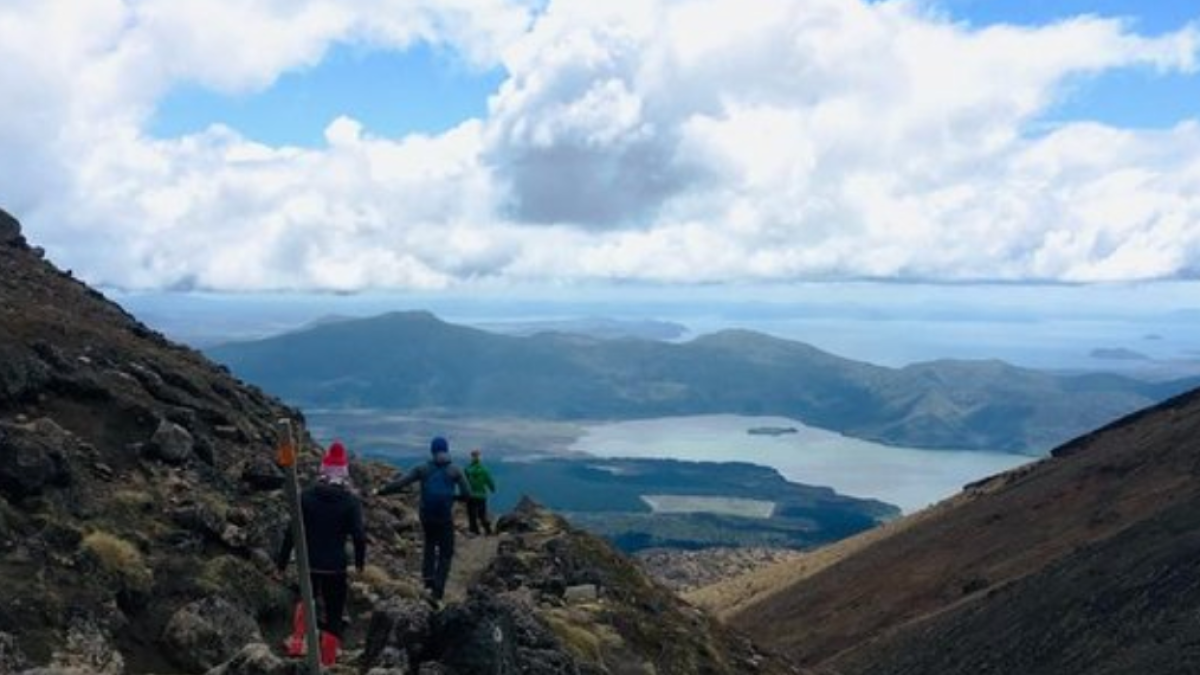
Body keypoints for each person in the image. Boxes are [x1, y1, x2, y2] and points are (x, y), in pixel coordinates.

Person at [276, 440, 366, 666]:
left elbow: (292, 532)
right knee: (334, 611)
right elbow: (359, 536)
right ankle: (327, 660)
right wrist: (360, 565)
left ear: (323, 469)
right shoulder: (350, 501)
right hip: (336, 566)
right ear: (344, 471)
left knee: (306, 599)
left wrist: (281, 564)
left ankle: (297, 643)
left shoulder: (306, 496)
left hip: (310, 562)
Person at [375, 436, 470, 605]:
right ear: (446, 450)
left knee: (430, 544)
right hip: (444, 517)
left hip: (426, 515)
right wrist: (453, 497)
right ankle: (437, 591)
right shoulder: (455, 469)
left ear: (432, 451)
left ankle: (427, 582)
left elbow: (400, 483)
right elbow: (467, 494)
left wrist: (380, 491)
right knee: (446, 554)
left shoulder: (423, 468)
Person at [464, 448, 496, 536]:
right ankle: (488, 530)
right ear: (479, 457)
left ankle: (474, 531)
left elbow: (464, 481)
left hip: (471, 496)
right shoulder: (484, 470)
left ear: (471, 457)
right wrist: (492, 489)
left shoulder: (467, 469)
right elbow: (489, 481)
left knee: (471, 514)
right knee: (482, 515)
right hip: (481, 495)